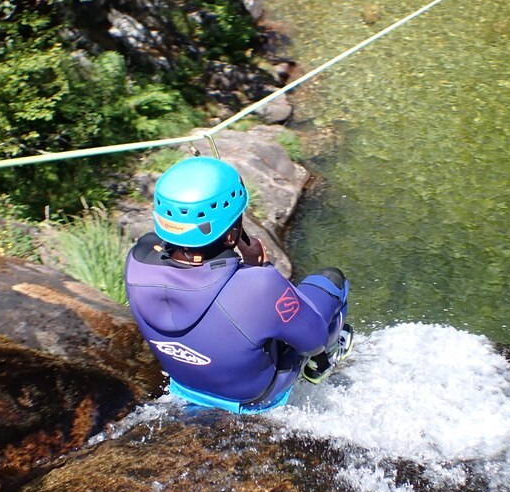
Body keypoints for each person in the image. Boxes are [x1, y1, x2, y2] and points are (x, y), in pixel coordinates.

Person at [124, 156, 353, 414]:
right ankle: (319, 367)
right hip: (256, 397)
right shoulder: (260, 285)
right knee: (332, 281)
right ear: (232, 234)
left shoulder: (136, 262)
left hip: (186, 384)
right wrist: (261, 268)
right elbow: (314, 340)